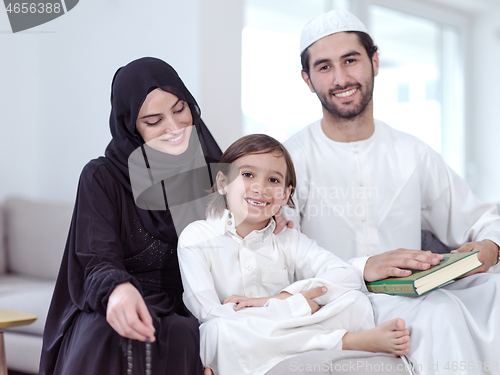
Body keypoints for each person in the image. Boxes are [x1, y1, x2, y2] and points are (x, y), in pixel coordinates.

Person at [283, 9, 500, 374]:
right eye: (324, 67)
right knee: (439, 313)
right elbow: (280, 256)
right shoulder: (287, 160)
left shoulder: (411, 152)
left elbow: (479, 218)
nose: (340, 78)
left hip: (415, 291)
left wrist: (489, 247)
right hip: (340, 300)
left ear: (375, 62)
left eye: (350, 60)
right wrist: (362, 269)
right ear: (307, 80)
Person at [39, 57, 222, 375]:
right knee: (108, 331)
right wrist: (118, 291)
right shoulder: (102, 177)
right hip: (121, 302)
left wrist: (271, 221)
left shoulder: (213, 173)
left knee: (185, 331)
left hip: (193, 304)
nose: (175, 128)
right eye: (154, 121)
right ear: (131, 127)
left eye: (180, 110)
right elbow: (96, 259)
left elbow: (242, 239)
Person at [177, 134, 411, 375]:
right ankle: (346, 341)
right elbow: (208, 312)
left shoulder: (289, 239)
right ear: (223, 182)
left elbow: (345, 274)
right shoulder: (195, 237)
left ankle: (282, 351)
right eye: (247, 175)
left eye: (273, 180)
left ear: (286, 195)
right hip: (242, 332)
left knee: (355, 302)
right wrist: (293, 307)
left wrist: (285, 297)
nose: (261, 188)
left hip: (285, 329)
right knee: (215, 333)